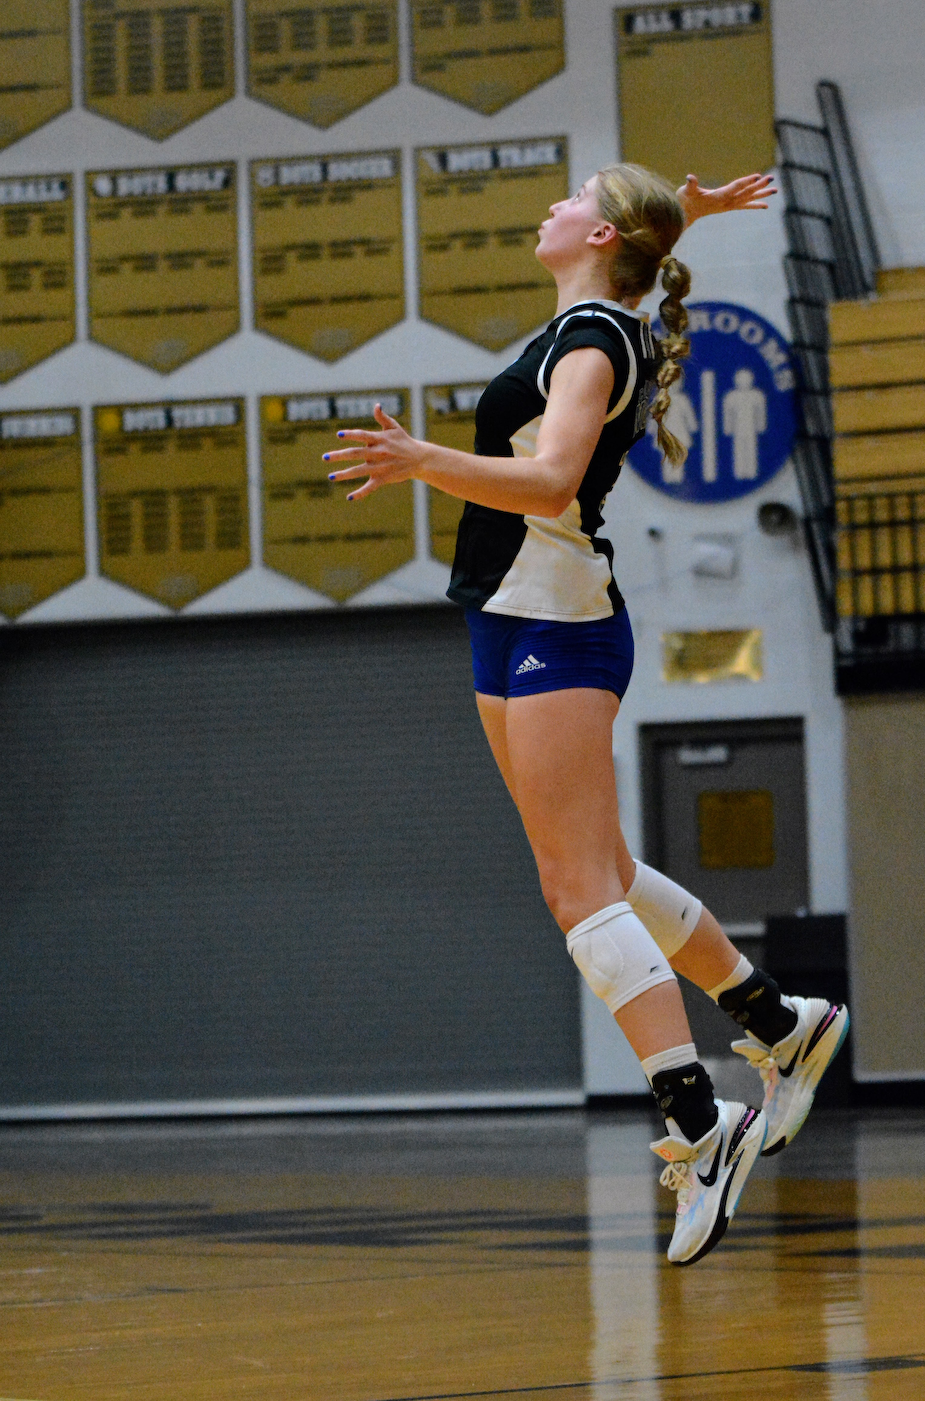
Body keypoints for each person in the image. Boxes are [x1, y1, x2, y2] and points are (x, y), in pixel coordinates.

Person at [324, 164, 849, 1266]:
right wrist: (684, 214)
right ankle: (776, 1021)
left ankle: (699, 1122)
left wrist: (421, 460)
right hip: (503, 614)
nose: (550, 205)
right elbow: (635, 245)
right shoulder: (594, 320)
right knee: (599, 868)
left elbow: (554, 479)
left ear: (601, 234)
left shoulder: (595, 338)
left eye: (572, 196)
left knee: (575, 890)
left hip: (556, 621)